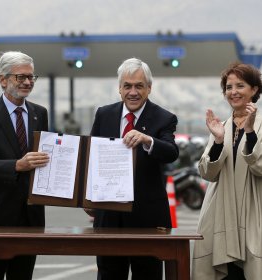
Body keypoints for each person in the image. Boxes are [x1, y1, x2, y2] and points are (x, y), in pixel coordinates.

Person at [86, 57, 179, 280]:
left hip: (147, 218)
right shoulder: (104, 114)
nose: (133, 92)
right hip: (108, 215)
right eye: (127, 86)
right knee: (109, 274)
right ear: (119, 88)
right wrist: (87, 198)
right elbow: (91, 157)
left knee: (148, 275)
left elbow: (171, 152)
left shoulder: (164, 118)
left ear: (149, 88)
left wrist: (148, 140)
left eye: (139, 86)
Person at [0, 51, 49, 280]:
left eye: (31, 77)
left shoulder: (39, 113)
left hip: (30, 216)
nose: (27, 82)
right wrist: (18, 165)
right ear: (2, 80)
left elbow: (46, 155)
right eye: (20, 77)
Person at [192, 62, 262, 280]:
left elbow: (259, 167)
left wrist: (250, 133)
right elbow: (207, 173)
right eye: (229, 87)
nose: (233, 92)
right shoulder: (220, 127)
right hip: (219, 214)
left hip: (253, 211)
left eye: (240, 86)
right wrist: (219, 141)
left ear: (255, 89)